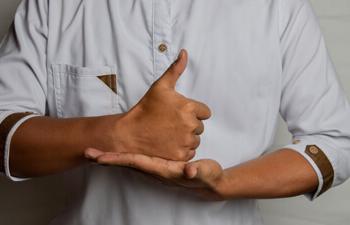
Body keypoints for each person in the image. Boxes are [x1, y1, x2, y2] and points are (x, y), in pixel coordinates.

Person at [0, 0, 349, 224]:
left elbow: (335, 140)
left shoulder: (277, 7)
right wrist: (120, 133)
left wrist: (224, 184)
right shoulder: (52, 5)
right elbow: (5, 127)